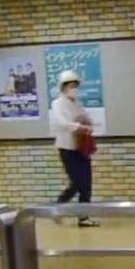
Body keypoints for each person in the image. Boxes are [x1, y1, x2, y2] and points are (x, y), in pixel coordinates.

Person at [48, 70, 98, 227]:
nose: (74, 89)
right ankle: (59, 205)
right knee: (76, 182)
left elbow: (86, 118)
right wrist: (79, 126)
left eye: (76, 86)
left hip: (81, 148)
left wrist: (87, 124)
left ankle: (84, 217)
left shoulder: (77, 103)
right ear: (63, 87)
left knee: (86, 184)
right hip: (67, 148)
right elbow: (62, 123)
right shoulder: (57, 104)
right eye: (71, 85)